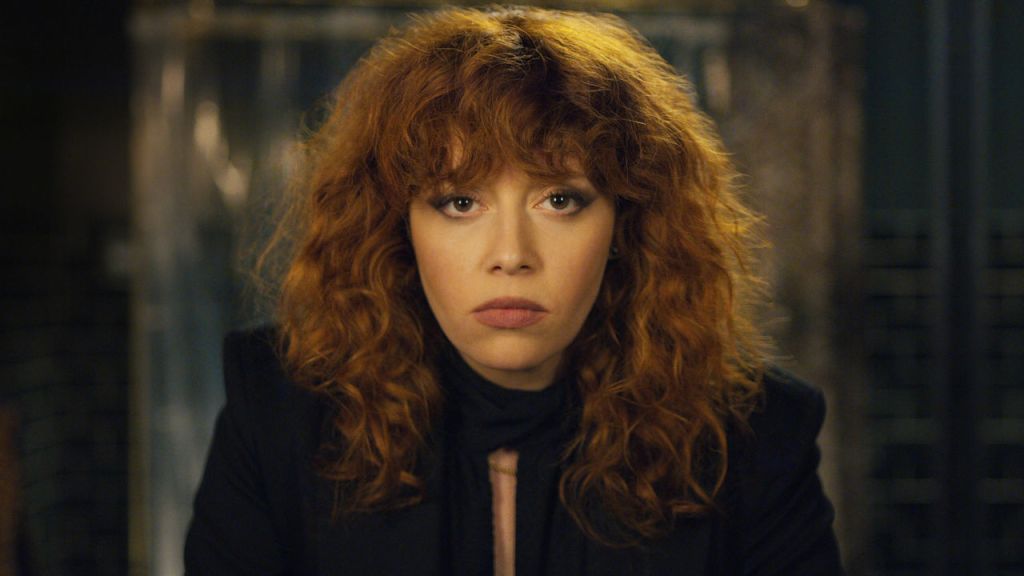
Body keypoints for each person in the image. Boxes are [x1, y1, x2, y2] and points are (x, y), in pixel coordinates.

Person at [184, 5, 844, 575]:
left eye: (559, 200)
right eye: (459, 202)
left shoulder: (757, 439)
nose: (510, 256)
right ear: (397, 228)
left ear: (625, 224)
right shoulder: (277, 412)